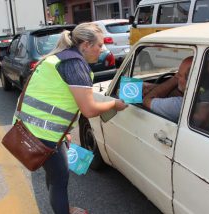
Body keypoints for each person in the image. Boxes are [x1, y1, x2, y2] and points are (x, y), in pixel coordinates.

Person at [13, 23, 128, 214]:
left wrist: (64, 130)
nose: (102, 50)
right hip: (44, 134)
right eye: (99, 45)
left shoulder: (59, 58)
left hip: (29, 127)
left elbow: (53, 97)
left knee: (55, 176)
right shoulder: (74, 64)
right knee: (60, 179)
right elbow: (89, 109)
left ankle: (64, 208)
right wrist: (114, 104)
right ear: (85, 45)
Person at [143, 56, 209, 128]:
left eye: (179, 75)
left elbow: (146, 101)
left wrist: (173, 79)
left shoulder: (181, 105)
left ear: (191, 79)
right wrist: (154, 87)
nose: (178, 78)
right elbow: (183, 93)